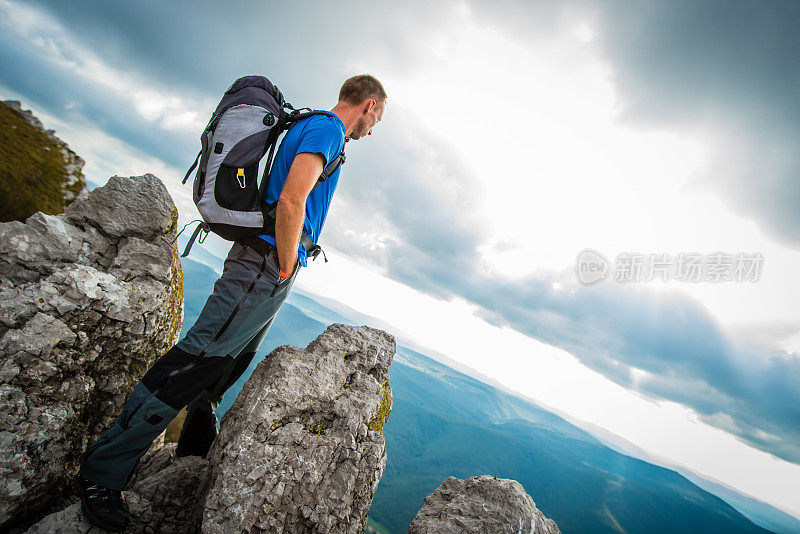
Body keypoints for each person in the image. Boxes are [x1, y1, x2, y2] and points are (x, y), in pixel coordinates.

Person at [77, 74, 387, 531]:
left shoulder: (315, 126)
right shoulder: (327, 130)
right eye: (377, 118)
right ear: (370, 105)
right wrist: (284, 264)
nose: (374, 129)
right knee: (195, 359)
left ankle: (193, 449)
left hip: (266, 266)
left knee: (226, 363)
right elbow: (290, 200)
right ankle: (100, 474)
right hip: (263, 265)